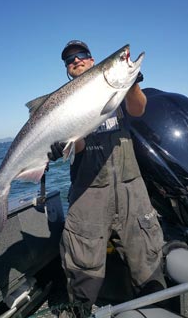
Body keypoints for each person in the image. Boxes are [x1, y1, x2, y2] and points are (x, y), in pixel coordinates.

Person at [48, 40, 166, 317]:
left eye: (82, 55)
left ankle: (158, 308)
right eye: (70, 60)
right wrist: (58, 143)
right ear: (67, 70)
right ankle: (80, 310)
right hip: (88, 192)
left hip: (131, 188)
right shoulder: (67, 102)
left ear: (92, 60)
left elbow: (138, 110)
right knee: (82, 266)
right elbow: (76, 149)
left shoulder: (115, 90)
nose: (76, 60)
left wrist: (131, 82)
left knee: (147, 259)